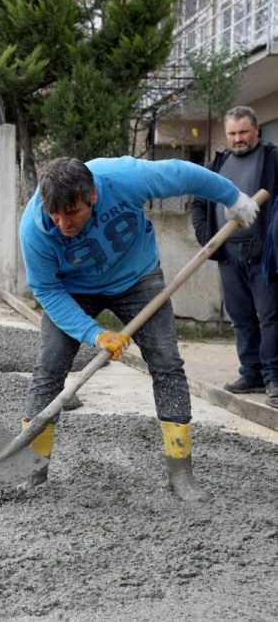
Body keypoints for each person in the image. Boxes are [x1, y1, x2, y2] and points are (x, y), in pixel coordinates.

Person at [20, 156, 259, 502]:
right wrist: (95, 333)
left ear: (93, 197)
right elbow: (46, 290)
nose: (61, 223)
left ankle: (181, 474)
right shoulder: (35, 229)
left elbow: (183, 175)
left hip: (137, 279)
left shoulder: (123, 179)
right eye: (55, 214)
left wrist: (233, 198)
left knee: (166, 364)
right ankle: (32, 470)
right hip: (71, 287)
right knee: (50, 365)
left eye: (71, 213)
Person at [190, 106, 278, 403]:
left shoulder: (272, 158)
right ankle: (251, 373)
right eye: (232, 133)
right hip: (228, 253)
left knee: (270, 317)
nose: (238, 138)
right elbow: (198, 202)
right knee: (240, 318)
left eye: (243, 132)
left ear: (256, 130)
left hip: (265, 255)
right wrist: (208, 239)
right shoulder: (218, 163)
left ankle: (274, 378)